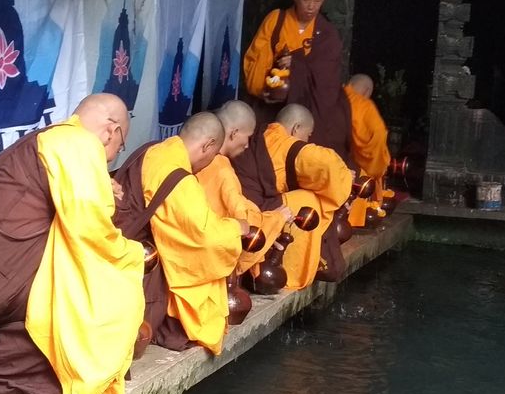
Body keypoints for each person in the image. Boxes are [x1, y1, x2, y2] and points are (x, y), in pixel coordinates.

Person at [0, 93, 146, 394]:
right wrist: (129, 253)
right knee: (114, 286)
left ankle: (0, 361)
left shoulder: (55, 137)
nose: (110, 158)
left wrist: (100, 184)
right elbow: (88, 224)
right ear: (112, 130)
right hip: (6, 271)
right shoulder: (79, 143)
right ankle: (11, 368)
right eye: (117, 149)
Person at [139, 112, 249, 355]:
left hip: (138, 245)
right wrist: (236, 228)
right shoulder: (181, 179)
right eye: (212, 156)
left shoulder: (153, 151)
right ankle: (175, 324)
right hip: (148, 262)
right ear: (208, 146)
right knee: (206, 269)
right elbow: (204, 237)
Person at [235, 104, 352, 289]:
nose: (307, 140)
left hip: (242, 209)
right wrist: (346, 179)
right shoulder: (284, 143)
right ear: (296, 128)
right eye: (308, 134)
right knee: (308, 201)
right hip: (253, 214)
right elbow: (329, 164)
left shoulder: (263, 134)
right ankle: (292, 272)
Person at [241, 0, 352, 164]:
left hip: (307, 110)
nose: (311, 6)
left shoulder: (327, 33)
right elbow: (255, 61)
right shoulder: (276, 21)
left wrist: (297, 64)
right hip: (272, 106)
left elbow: (327, 79)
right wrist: (266, 86)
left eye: (317, 0)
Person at [196, 101, 292, 276]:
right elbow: (244, 224)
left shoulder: (200, 160)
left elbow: (238, 204)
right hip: (209, 259)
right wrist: (277, 218)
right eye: (248, 137)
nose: (248, 145)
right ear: (234, 133)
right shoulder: (222, 170)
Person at [343, 74, 391, 227]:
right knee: (364, 177)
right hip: (356, 163)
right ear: (367, 91)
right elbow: (378, 133)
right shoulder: (364, 105)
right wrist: (376, 163)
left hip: (329, 156)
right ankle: (352, 220)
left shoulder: (332, 99)